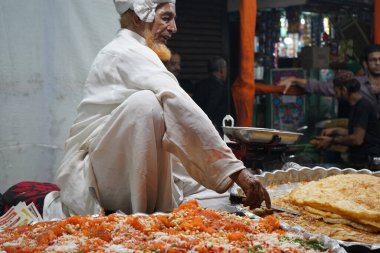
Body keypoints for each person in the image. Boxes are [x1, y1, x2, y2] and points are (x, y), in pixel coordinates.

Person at [42, 0, 270, 219]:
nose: (174, 28)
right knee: (146, 105)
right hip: (92, 174)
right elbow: (180, 104)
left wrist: (224, 171)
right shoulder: (124, 51)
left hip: (113, 164)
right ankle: (142, 219)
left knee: (213, 190)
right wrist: (236, 172)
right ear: (137, 17)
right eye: (166, 18)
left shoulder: (138, 51)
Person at [279, 44, 380, 119]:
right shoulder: (355, 84)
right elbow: (320, 86)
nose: (378, 63)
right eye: (373, 60)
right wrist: (294, 80)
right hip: (368, 142)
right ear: (365, 63)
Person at [314, 72, 380, 169]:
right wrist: (334, 130)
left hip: (369, 162)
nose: (336, 96)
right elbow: (357, 131)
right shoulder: (355, 105)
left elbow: (357, 139)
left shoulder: (363, 106)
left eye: (336, 92)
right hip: (361, 159)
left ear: (344, 90)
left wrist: (332, 140)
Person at [193, 56, 229, 137]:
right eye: (226, 68)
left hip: (198, 128)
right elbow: (212, 109)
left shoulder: (200, 85)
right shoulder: (219, 88)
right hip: (212, 131)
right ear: (221, 70)